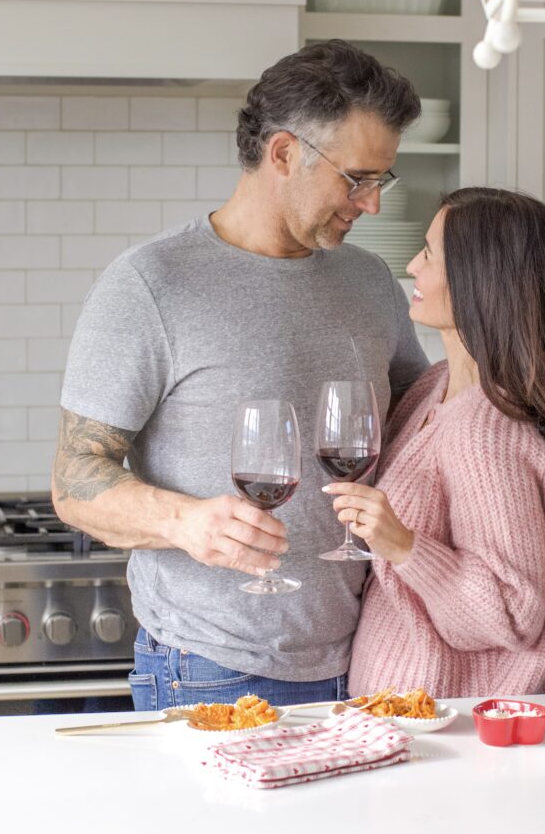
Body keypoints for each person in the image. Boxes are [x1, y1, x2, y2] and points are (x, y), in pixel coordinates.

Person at [52, 40, 429, 711]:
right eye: (357, 178)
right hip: (213, 668)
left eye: (382, 180)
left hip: (371, 658)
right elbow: (75, 481)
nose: (372, 203)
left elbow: (420, 430)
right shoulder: (152, 283)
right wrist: (184, 522)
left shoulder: (370, 282)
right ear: (284, 154)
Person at [325, 187, 545, 698]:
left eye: (429, 253)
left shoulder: (487, 431)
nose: (412, 265)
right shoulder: (435, 388)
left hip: (440, 725)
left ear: (479, 280)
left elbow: (511, 611)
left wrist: (403, 546)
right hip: (400, 711)